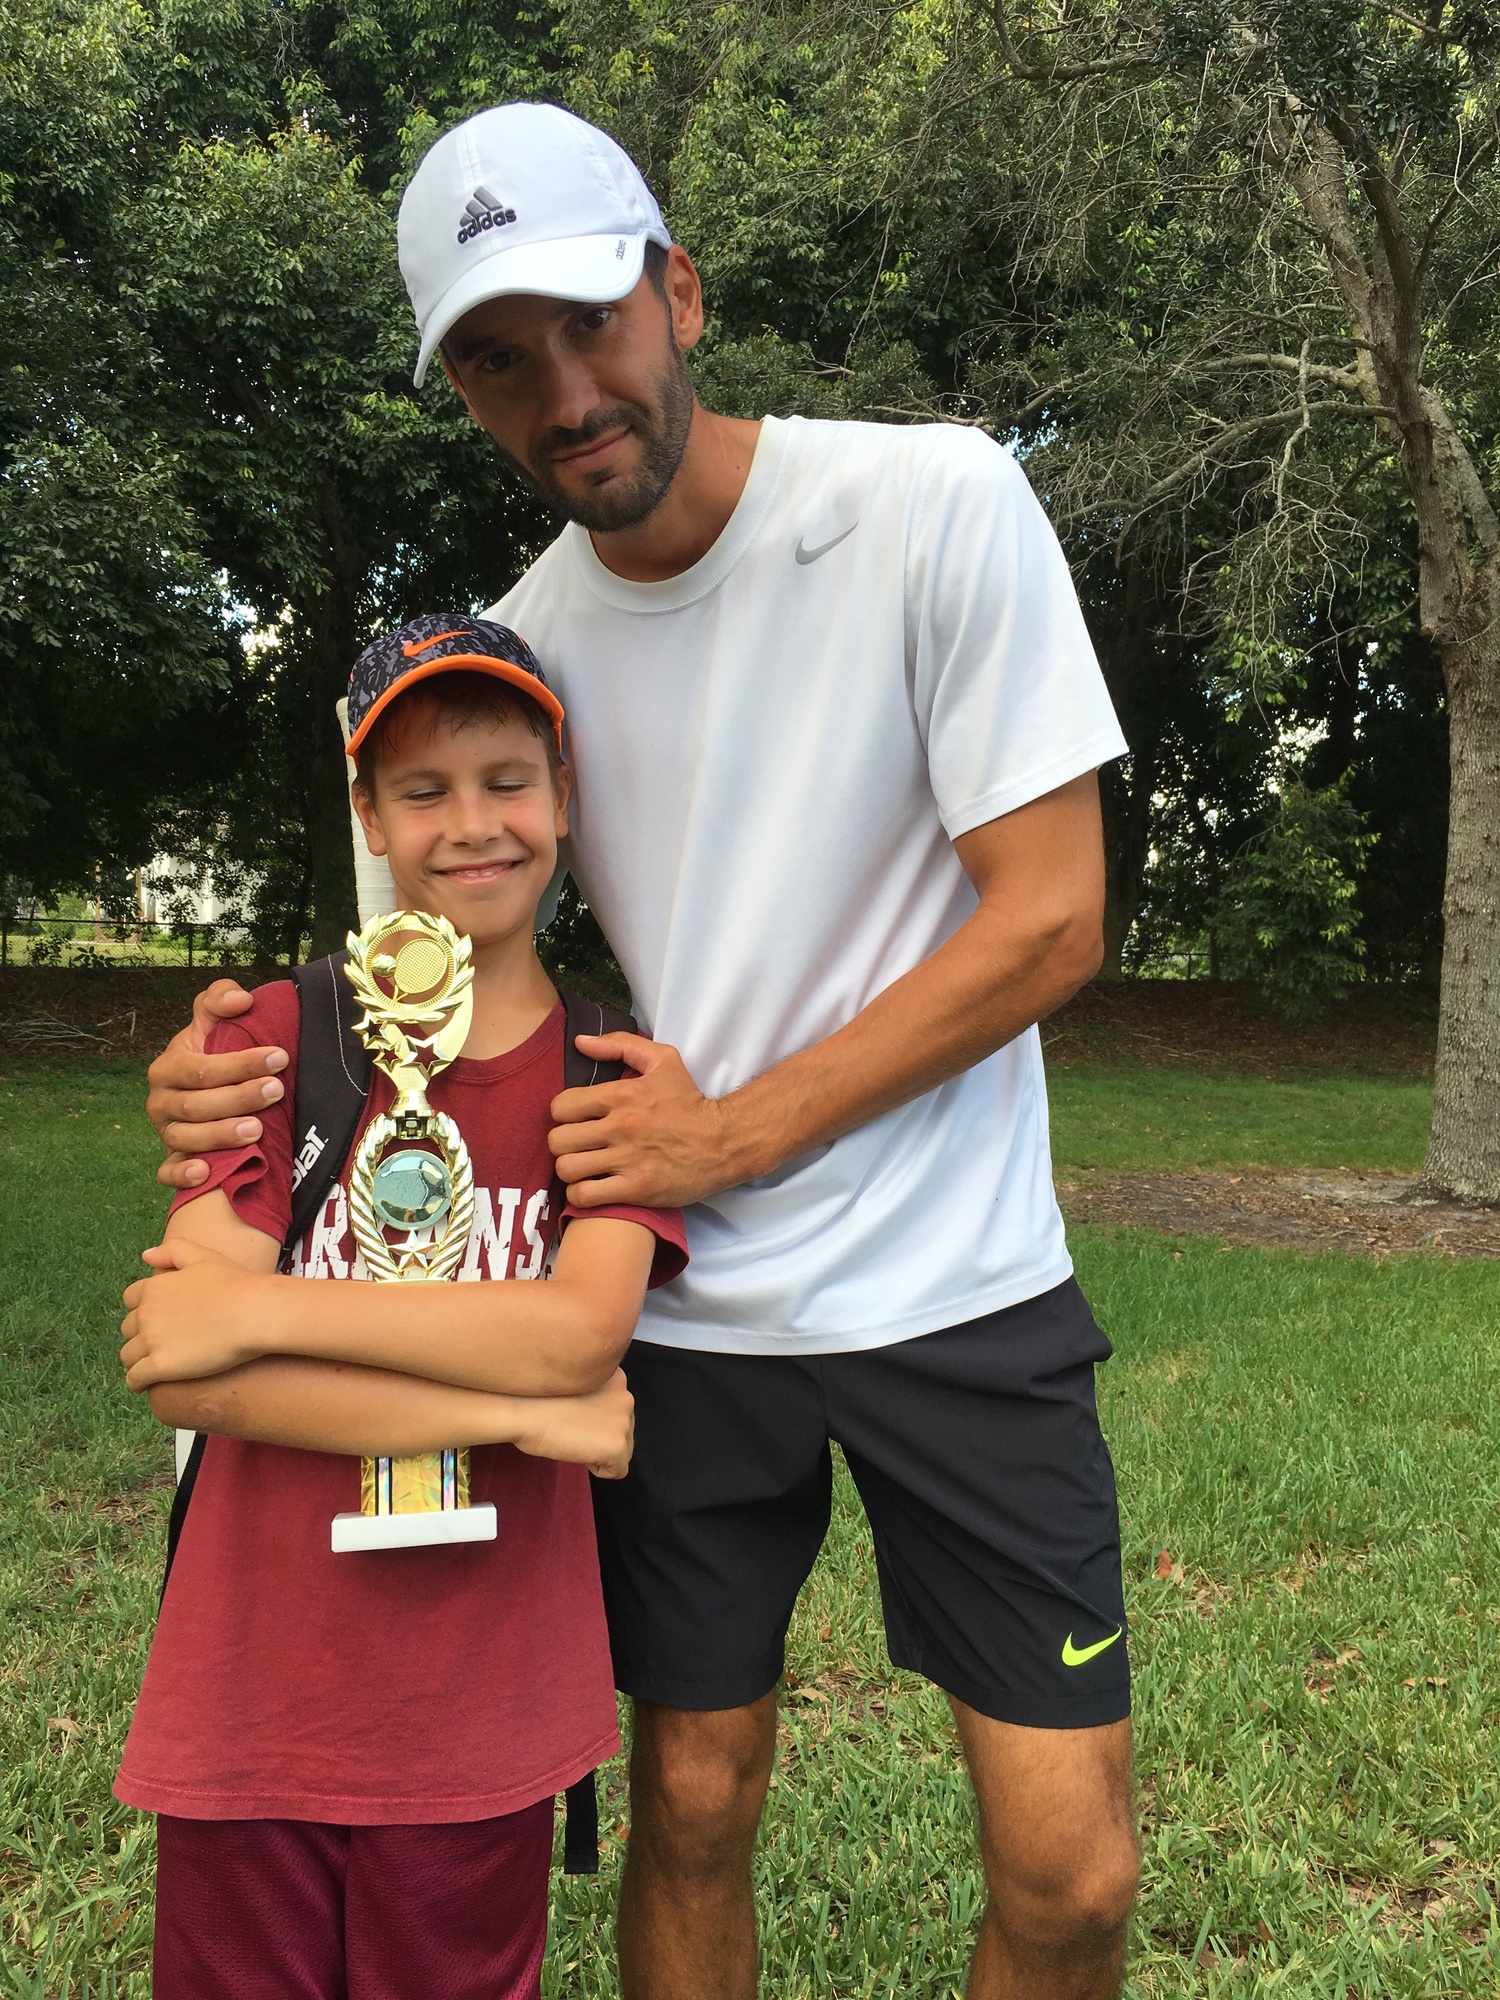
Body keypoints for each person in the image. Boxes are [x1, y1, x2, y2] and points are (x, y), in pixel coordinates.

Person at [147, 101, 1138, 2000]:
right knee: (692, 1804)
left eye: (591, 322)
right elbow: (400, 1016)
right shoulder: (513, 660)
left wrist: (735, 1136)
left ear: (681, 292)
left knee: (1073, 1874)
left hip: (965, 1291)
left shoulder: (929, 501)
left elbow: (1055, 917)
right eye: (499, 361)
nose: (565, 388)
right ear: (467, 397)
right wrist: (221, 1069)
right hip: (676, 1322)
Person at [118, 617, 687, 1998]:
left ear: (563, 797)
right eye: (422, 790)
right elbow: (185, 1360)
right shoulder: (266, 1037)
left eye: (506, 779)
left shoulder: (615, 1076)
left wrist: (271, 1314)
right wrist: (522, 1408)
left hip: (483, 1710)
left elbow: (578, 1336)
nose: (471, 825)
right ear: (367, 811)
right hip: (254, 1695)